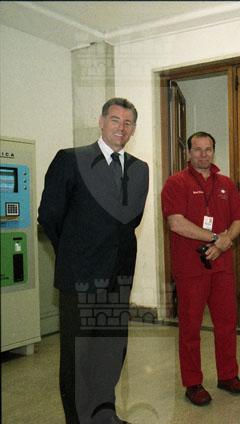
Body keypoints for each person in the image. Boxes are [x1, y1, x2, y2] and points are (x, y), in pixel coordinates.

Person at [38, 97, 148, 424]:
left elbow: (132, 220)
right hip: (80, 278)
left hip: (118, 277)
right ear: (101, 122)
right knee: (78, 358)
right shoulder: (71, 160)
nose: (121, 127)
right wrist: (75, 252)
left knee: (111, 353)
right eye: (115, 120)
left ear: (133, 129)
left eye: (128, 123)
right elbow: (50, 216)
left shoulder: (139, 169)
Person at [161, 131, 240, 406]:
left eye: (208, 149)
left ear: (213, 151)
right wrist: (215, 238)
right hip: (191, 268)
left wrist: (225, 242)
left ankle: (228, 375)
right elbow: (176, 223)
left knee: (226, 324)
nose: (203, 154)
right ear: (189, 153)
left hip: (221, 266)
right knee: (190, 328)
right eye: (197, 149)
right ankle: (193, 383)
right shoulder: (176, 183)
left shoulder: (225, 183)